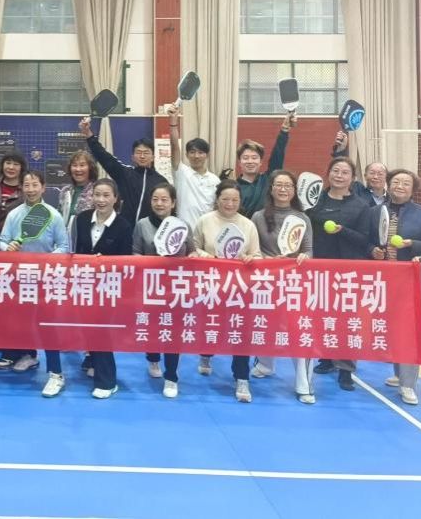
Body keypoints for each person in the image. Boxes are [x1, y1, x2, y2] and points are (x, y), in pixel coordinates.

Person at [366, 168, 421, 406]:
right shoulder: (375, 212)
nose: (400, 186)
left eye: (406, 183)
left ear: (413, 189)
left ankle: (408, 384)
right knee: (391, 328)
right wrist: (372, 250)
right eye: (396, 181)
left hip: (413, 278)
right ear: (388, 184)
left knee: (411, 329)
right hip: (384, 279)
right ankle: (399, 373)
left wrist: (412, 245)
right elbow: (367, 240)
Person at [0, 171, 70, 395]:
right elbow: (2, 240)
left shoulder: (54, 215)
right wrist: (7, 248)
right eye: (26, 185)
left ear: (43, 187)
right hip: (19, 279)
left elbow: (64, 246)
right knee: (21, 320)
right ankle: (29, 355)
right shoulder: (14, 214)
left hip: (45, 279)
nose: (30, 189)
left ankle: (56, 374)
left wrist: (47, 261)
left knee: (47, 326)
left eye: (34, 184)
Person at [192, 180, 262, 402]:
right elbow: (193, 248)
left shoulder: (248, 225)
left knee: (241, 331)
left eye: (234, 200)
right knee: (210, 324)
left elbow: (257, 255)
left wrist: (250, 258)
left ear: (240, 201)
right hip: (211, 286)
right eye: (225, 199)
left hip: (239, 289)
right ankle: (206, 354)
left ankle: (241, 377)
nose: (230, 204)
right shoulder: (204, 220)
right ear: (217, 199)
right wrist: (207, 257)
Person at [249, 170, 315, 404]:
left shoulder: (302, 218)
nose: (283, 189)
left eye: (288, 185)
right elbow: (253, 249)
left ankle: (304, 385)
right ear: (271, 189)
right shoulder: (258, 216)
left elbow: (308, 250)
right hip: (266, 282)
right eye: (279, 185)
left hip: (293, 283)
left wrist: (304, 257)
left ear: (294, 190)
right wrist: (266, 260)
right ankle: (265, 364)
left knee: (298, 330)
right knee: (264, 324)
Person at [306, 156, 371, 389]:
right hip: (318, 270)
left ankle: (346, 369)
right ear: (328, 173)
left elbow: (364, 239)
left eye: (345, 172)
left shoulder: (361, 206)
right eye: (335, 170)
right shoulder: (315, 201)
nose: (339, 176)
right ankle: (326, 357)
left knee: (347, 321)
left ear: (352, 178)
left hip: (347, 272)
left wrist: (342, 231)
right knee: (323, 317)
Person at [132, 181, 193, 398]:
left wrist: (193, 257)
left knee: (173, 332)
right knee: (152, 328)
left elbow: (192, 253)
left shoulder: (183, 225)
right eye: (155, 199)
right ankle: (152, 358)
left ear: (173, 203)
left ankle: (171, 377)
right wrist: (152, 262)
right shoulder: (142, 225)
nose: (159, 203)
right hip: (150, 287)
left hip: (176, 288)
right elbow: (135, 253)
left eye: (164, 200)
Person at [74, 179, 134, 399]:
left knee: (102, 331)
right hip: (84, 284)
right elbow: (76, 249)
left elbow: (125, 261)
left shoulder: (123, 226)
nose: (100, 200)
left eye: (106, 195)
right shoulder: (81, 219)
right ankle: (91, 361)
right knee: (88, 328)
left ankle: (107, 381)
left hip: (109, 288)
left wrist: (106, 262)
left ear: (115, 198)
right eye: (97, 195)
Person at [78, 117, 166, 225]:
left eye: (146, 153)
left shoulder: (161, 182)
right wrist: (88, 135)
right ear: (133, 157)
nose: (142, 156)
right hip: (125, 229)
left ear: (153, 157)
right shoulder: (125, 174)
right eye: (138, 152)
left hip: (150, 231)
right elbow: (104, 157)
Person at [167, 104, 220, 229]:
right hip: (184, 231)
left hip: (207, 231)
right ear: (186, 155)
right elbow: (174, 145)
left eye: (201, 152)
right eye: (192, 152)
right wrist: (173, 121)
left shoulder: (215, 180)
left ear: (207, 155)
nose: (196, 156)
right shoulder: (181, 172)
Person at [232, 115, 293, 218]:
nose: (250, 161)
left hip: (268, 227)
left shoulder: (268, 179)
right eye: (246, 158)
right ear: (239, 162)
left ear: (260, 162)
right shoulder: (234, 187)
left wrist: (284, 131)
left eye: (254, 158)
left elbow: (277, 156)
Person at [331, 130, 387, 205]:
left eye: (380, 174)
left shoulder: (392, 198)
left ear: (387, 177)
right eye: (372, 173)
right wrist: (341, 150)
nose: (375, 177)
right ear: (365, 176)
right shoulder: (357, 190)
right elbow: (342, 171)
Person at [0, 152, 27, 231]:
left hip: (15, 236)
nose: (11, 167)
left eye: (16, 164)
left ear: (21, 168)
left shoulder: (26, 190)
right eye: (8, 163)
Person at [58, 150, 97, 230]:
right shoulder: (65, 191)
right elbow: (59, 217)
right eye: (74, 165)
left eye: (82, 165)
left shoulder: (97, 191)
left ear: (90, 168)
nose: (78, 169)